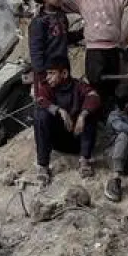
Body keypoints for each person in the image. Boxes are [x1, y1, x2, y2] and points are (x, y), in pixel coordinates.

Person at [32, 56, 100, 184]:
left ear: (64, 73)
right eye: (47, 73)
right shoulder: (47, 88)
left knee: (91, 112)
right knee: (40, 114)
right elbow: (40, 100)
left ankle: (84, 161)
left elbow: (94, 97)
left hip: (77, 140)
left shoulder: (79, 86)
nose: (48, 77)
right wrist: (60, 110)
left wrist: (83, 115)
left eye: (52, 73)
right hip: (57, 140)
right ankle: (43, 166)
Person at [24, 0, 71, 81]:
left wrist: (83, 33)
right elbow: (36, 50)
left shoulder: (61, 16)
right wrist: (42, 74)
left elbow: (64, 38)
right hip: (48, 72)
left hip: (62, 67)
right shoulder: (39, 22)